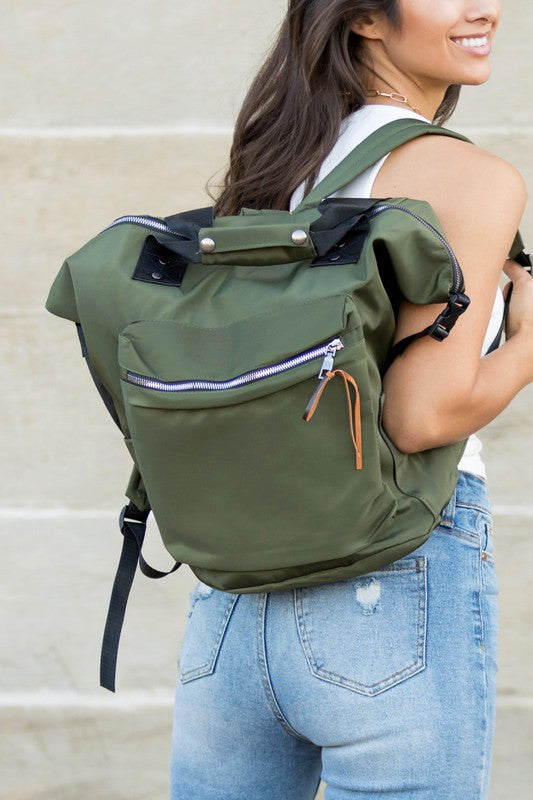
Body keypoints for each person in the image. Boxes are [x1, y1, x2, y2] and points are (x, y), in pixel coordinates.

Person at [170, 2, 533, 798]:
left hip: (235, 592)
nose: (486, 8)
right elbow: (418, 415)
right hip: (388, 579)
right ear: (364, 16)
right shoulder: (469, 178)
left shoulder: (271, 165)